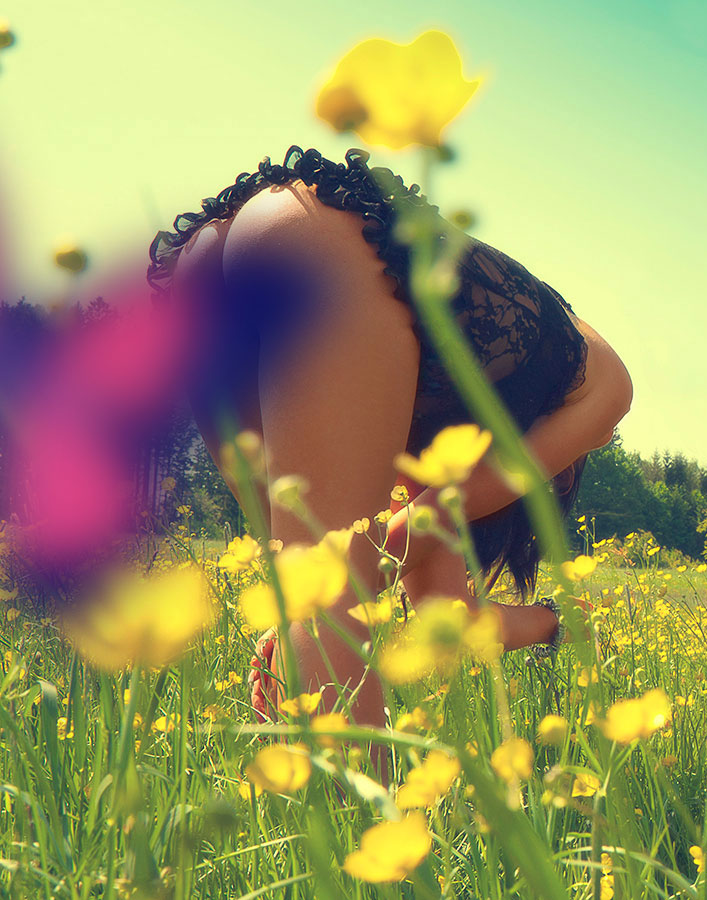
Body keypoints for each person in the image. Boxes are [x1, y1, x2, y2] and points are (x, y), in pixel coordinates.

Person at [147, 145, 632, 731]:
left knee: (309, 595)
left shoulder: (406, 422)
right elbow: (385, 553)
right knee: (326, 602)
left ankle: (323, 808)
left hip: (214, 257)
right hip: (330, 232)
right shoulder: (603, 397)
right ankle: (364, 820)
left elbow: (443, 612)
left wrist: (555, 623)